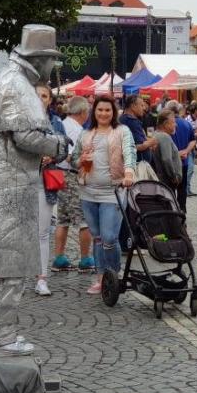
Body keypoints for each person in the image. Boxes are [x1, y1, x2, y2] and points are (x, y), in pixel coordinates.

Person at [0, 24, 70, 358]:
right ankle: (0, 340)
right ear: (39, 59)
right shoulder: (18, 84)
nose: (53, 67)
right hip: (7, 191)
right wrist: (61, 145)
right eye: (51, 60)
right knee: (7, 273)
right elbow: (28, 136)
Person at [71, 95, 136, 294]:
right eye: (100, 110)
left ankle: (113, 276)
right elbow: (73, 160)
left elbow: (130, 152)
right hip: (88, 192)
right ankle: (101, 278)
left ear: (113, 112)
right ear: (94, 111)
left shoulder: (122, 131)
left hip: (112, 192)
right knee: (98, 237)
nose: (103, 113)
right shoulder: (86, 133)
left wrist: (129, 172)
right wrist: (80, 159)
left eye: (108, 110)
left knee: (109, 237)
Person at [52, 96, 94, 273]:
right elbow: (71, 157)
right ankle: (85, 260)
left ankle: (59, 257)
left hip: (59, 175)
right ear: (83, 112)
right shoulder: (77, 130)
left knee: (63, 219)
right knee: (84, 220)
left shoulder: (62, 124)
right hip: (72, 175)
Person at [34, 83, 67, 296]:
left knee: (43, 232)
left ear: (49, 100)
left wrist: (52, 156)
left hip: (45, 182)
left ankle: (42, 278)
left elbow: (64, 151)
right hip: (21, 182)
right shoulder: (19, 120)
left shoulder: (56, 123)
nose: (40, 99)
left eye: (44, 96)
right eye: (37, 95)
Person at [166, 100, 196, 211]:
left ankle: (172, 211)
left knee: (170, 189)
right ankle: (182, 211)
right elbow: (193, 140)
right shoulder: (186, 123)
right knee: (182, 189)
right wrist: (186, 151)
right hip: (184, 162)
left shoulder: (166, 125)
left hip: (170, 162)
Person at [152, 110, 183, 194]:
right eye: (173, 122)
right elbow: (166, 159)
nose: (175, 125)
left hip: (161, 180)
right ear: (165, 124)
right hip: (166, 182)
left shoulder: (156, 134)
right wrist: (173, 176)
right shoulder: (164, 136)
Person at [119, 95, 157, 163]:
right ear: (133, 106)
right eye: (141, 105)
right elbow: (138, 146)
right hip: (138, 164)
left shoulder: (123, 118)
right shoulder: (132, 121)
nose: (144, 108)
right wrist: (151, 142)